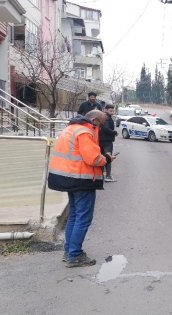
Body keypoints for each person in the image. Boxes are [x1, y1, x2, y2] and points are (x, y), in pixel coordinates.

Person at [48, 110, 116, 268]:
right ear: (93, 120)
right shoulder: (84, 132)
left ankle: (69, 251)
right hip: (81, 179)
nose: (100, 126)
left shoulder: (71, 128)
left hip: (68, 178)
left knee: (73, 216)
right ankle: (74, 255)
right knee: (83, 218)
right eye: (101, 122)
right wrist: (106, 158)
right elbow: (93, 158)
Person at [99, 104, 118, 182]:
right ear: (105, 110)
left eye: (113, 110)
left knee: (102, 158)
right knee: (108, 158)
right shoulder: (106, 118)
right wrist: (114, 132)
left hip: (102, 141)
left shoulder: (104, 117)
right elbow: (105, 129)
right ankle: (108, 176)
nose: (112, 112)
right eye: (110, 110)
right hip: (106, 142)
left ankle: (101, 176)